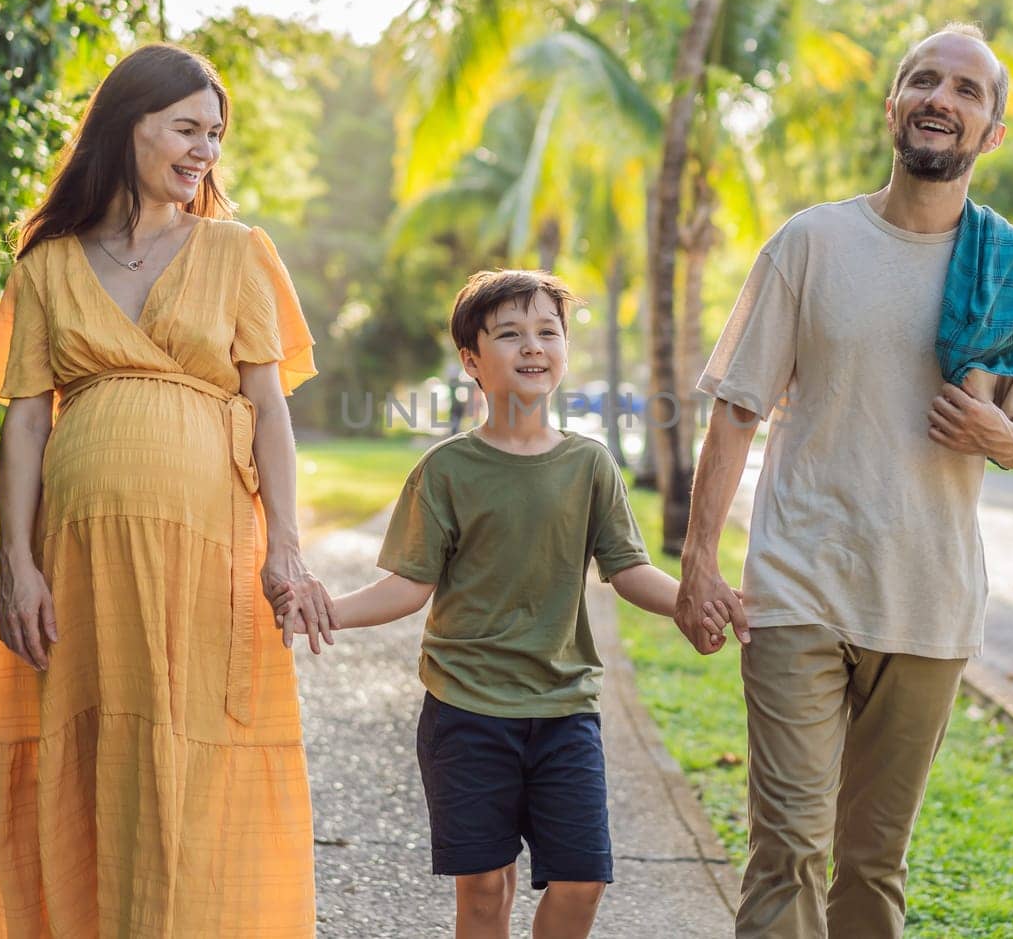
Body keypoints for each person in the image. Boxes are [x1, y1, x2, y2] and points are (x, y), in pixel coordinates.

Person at [680, 24, 1013, 938]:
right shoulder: (811, 242)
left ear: (992, 132)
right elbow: (736, 408)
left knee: (872, 865)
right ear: (893, 106)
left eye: (968, 90)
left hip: (929, 602)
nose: (942, 97)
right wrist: (700, 560)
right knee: (788, 849)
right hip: (800, 586)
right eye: (923, 80)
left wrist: (1006, 437)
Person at [0, 43, 335, 937]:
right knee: (90, 752)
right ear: (127, 125)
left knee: (193, 751)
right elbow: (24, 421)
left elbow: (269, 407)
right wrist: (16, 561)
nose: (205, 149)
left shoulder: (239, 252)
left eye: (215, 133)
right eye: (186, 128)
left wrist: (285, 541)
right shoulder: (47, 262)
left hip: (206, 548)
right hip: (79, 556)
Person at [304, 270, 721, 939]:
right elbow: (410, 584)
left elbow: (630, 569)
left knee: (583, 881)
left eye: (547, 331)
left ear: (563, 348)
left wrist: (697, 601)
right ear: (472, 359)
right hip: (465, 712)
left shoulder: (591, 465)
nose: (533, 346)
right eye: (510, 334)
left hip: (564, 712)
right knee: (484, 891)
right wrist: (332, 608)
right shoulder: (446, 470)